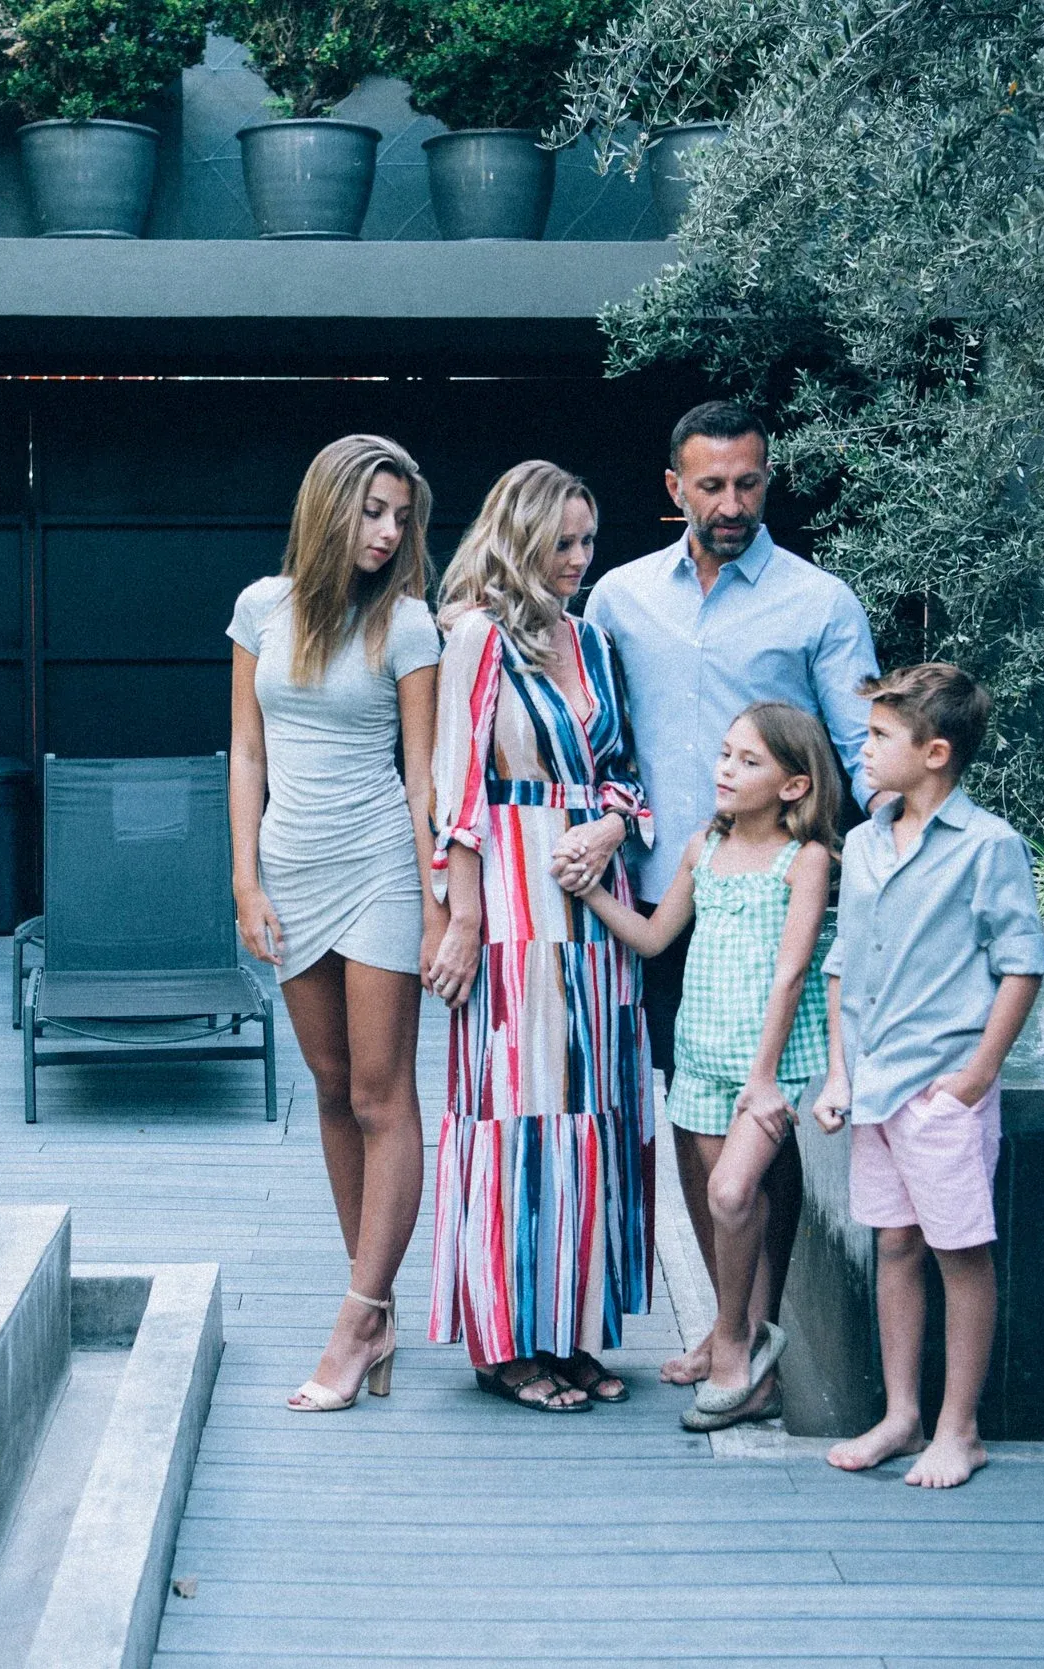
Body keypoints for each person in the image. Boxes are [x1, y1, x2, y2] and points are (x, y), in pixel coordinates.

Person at [563, 398, 884, 1390]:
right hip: (662, 897)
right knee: (690, 1119)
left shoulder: (818, 602)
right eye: (711, 485)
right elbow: (596, 742)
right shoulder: (616, 599)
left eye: (749, 482)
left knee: (763, 1130)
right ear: (675, 489)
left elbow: (866, 757)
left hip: (773, 908)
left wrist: (907, 848)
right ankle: (725, 1316)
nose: (732, 501)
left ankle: (759, 1321)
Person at [422, 460, 654, 1414]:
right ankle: (505, 1340)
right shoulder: (477, 635)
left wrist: (612, 825)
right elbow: (456, 788)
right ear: (517, 538)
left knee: (594, 1113)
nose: (577, 558)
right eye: (560, 542)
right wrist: (464, 915)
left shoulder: (593, 640)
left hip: (594, 908)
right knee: (517, 1115)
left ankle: (570, 1328)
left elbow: (627, 769)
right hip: (514, 910)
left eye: (588, 541)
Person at [229, 434, 445, 1414]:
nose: (389, 531)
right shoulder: (259, 609)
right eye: (372, 511)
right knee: (325, 1087)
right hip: (291, 869)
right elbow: (244, 754)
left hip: (378, 871)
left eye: (400, 515)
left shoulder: (407, 624)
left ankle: (358, 1314)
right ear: (329, 510)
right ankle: (380, 1302)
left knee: (380, 1092)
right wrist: (245, 882)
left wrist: (440, 906)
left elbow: (422, 776)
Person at [811, 663, 1044, 1487]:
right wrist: (841, 1074)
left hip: (942, 1089)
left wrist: (977, 1077)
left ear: (936, 752)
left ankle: (960, 1427)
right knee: (897, 1244)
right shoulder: (869, 841)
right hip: (876, 1085)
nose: (863, 751)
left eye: (879, 737)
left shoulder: (989, 847)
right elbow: (843, 964)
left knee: (959, 1251)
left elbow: (1022, 966)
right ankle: (902, 1415)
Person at [576, 702, 840, 1433]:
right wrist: (592, 892)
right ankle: (752, 1353)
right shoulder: (704, 848)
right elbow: (657, 938)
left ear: (794, 785)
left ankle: (732, 1340)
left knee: (729, 1195)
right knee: (734, 1209)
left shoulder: (805, 859)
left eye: (749, 761)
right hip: (701, 1057)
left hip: (769, 1066)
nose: (726, 770)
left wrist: (764, 1078)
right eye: (725, 755)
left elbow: (791, 974)